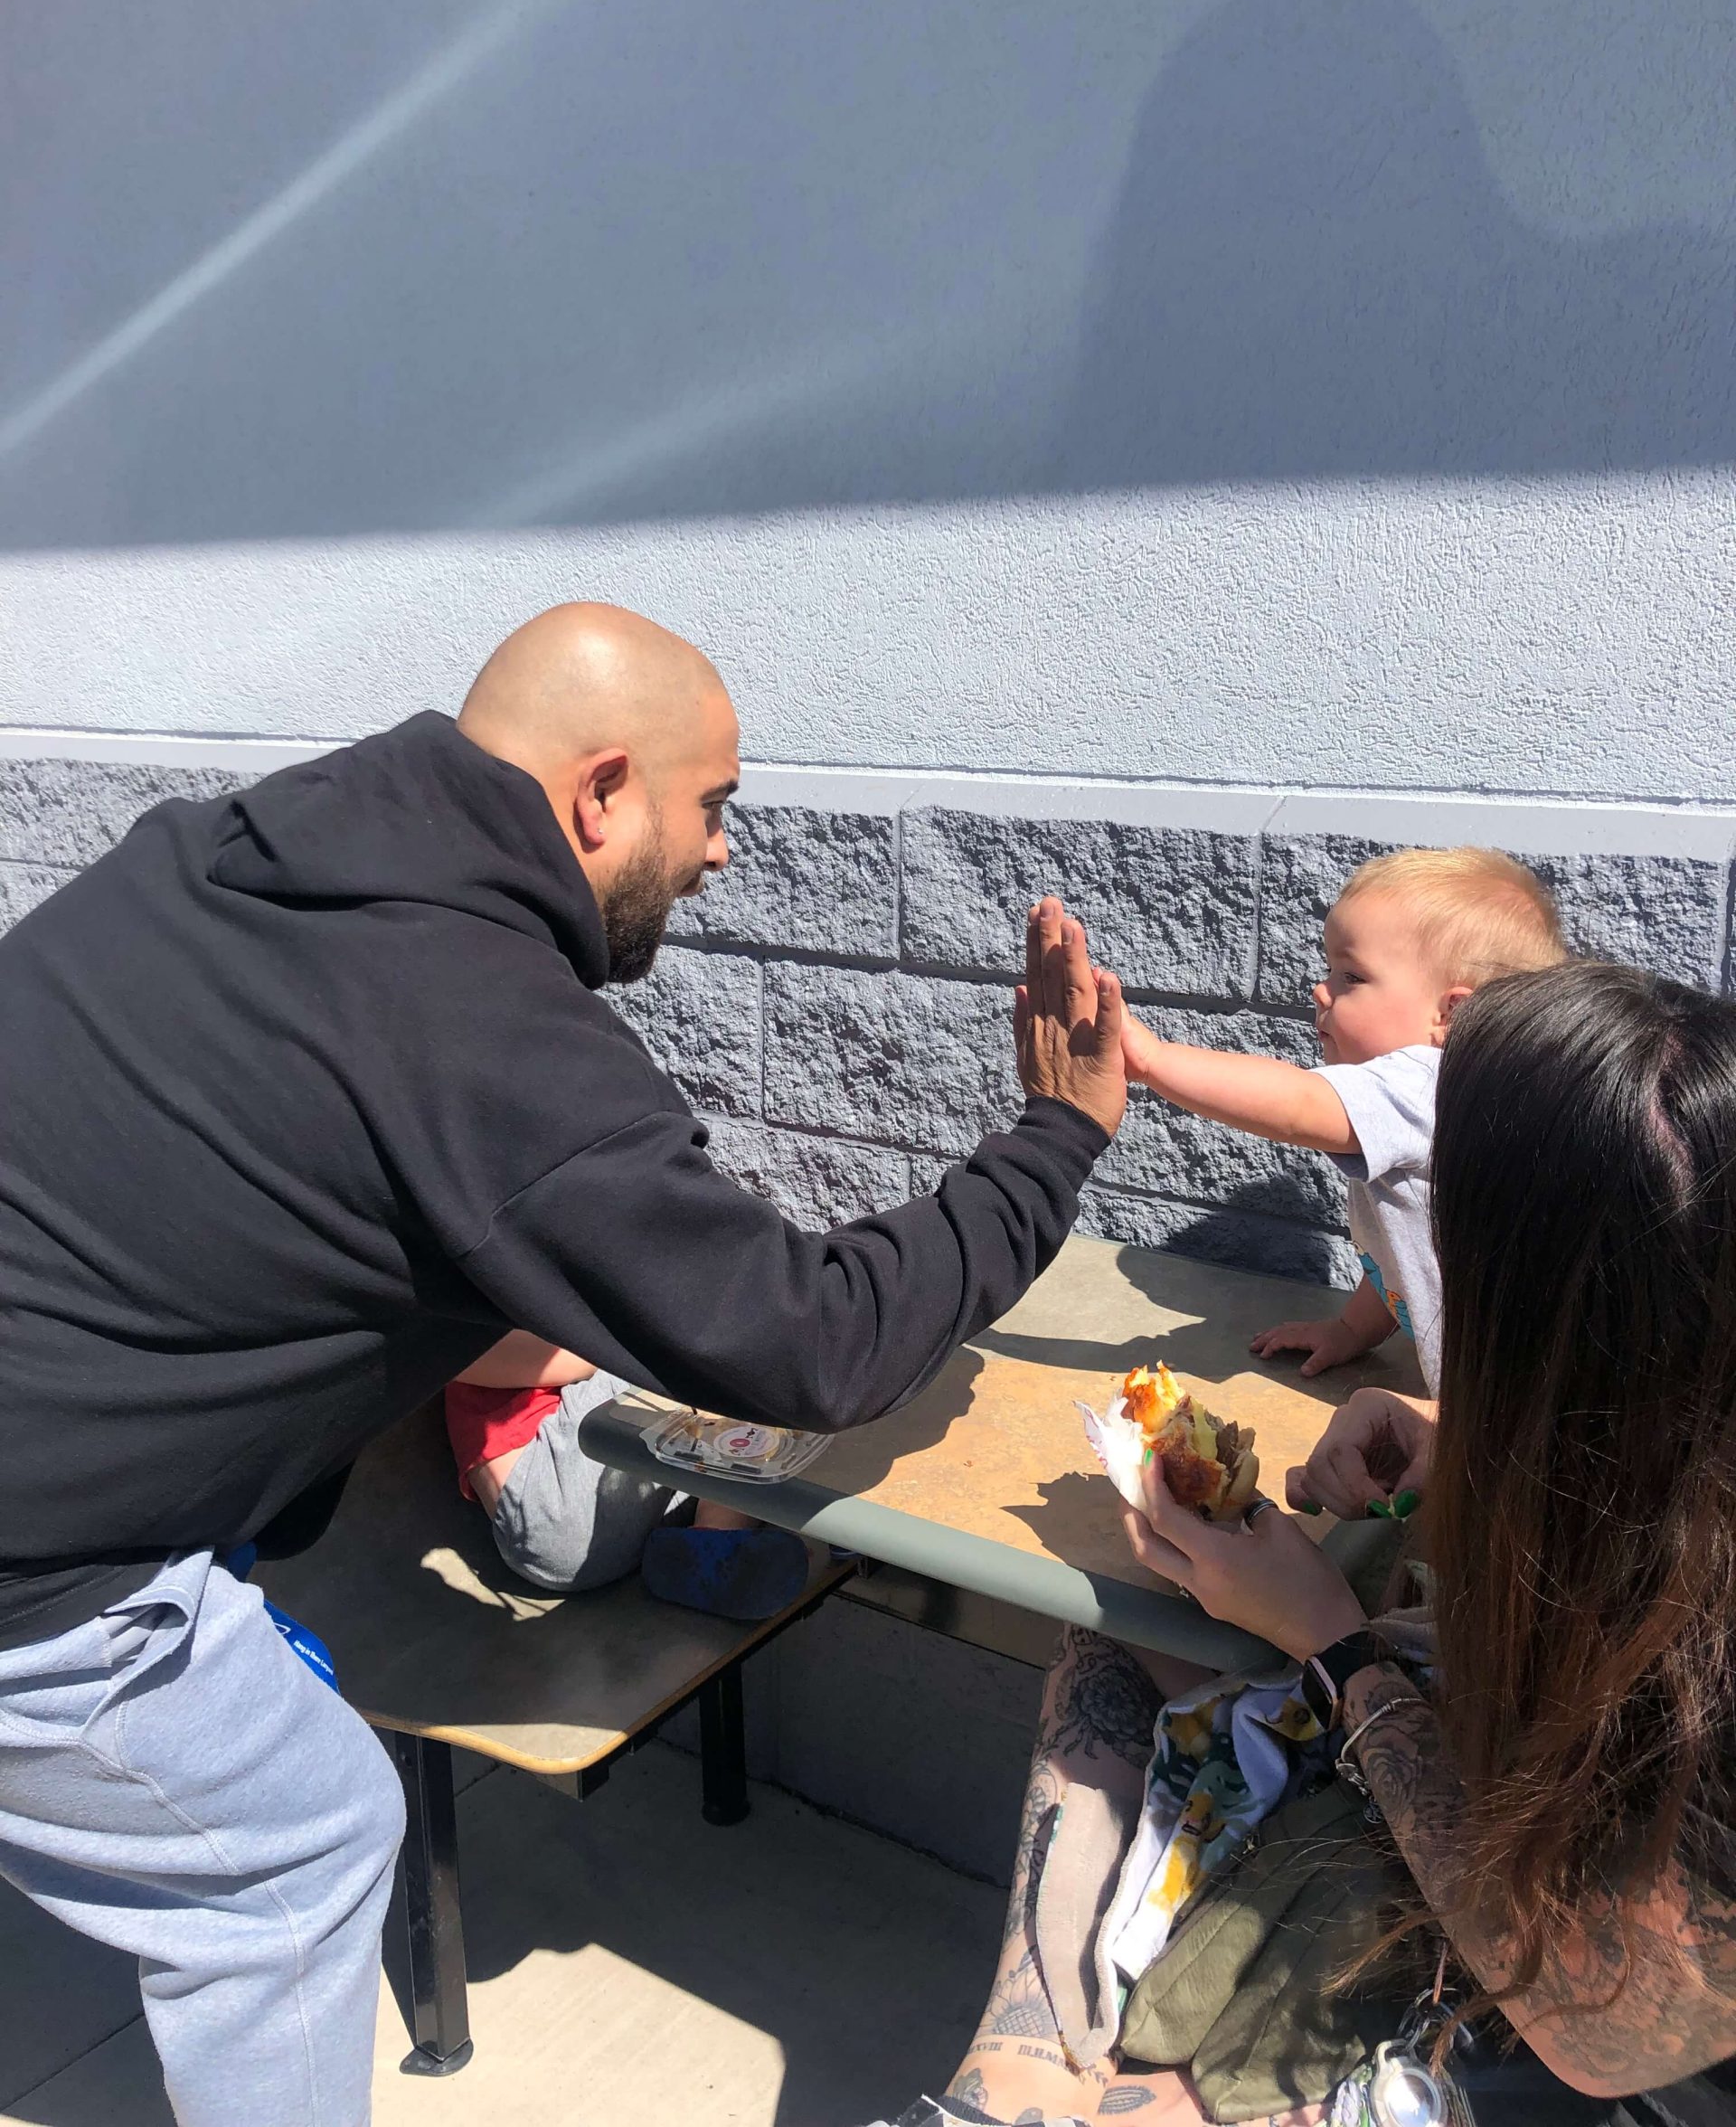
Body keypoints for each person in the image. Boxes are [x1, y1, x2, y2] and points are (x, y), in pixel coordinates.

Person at [0, 602, 1128, 2127]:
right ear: (602, 795)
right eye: (713, 805)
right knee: (299, 1850)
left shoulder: (237, 850)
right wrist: (1056, 1139)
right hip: (38, 1559)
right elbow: (817, 1341)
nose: (725, 851)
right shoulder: (478, 1031)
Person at [874, 960, 1736, 2126]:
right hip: (1495, 1807)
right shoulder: (1668, 1422)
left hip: (1590, 2031)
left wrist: (1333, 1643)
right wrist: (1459, 1441)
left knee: (1172, 2086)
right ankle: (1012, 2072)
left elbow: (1617, 2030)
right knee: (1123, 1633)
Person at [1119, 846, 1564, 1394]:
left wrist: (1153, 1059)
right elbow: (1403, 1255)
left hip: (1499, 1404)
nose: (1320, 989)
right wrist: (1352, 1330)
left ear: (1452, 1015)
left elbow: (1298, 1104)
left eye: (1351, 976)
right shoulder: (1449, 1097)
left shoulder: (1428, 1083)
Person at [442, 1329, 807, 1620]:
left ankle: (711, 1543)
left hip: (650, 1499)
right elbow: (570, 1359)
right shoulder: (472, 1281)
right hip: (555, 1490)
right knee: (732, 1325)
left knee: (749, 1343)